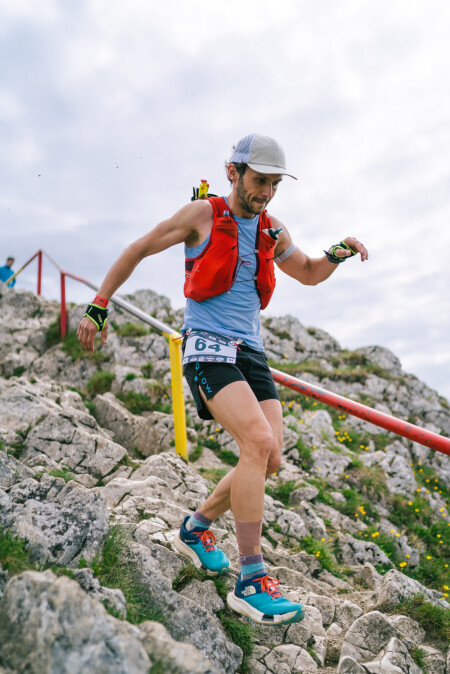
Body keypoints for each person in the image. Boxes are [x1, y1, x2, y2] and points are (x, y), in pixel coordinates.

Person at [77, 133, 368, 626]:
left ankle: (196, 527)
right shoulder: (204, 216)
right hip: (208, 349)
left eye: (275, 184)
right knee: (255, 441)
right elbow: (140, 247)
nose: (267, 193)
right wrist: (99, 304)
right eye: (260, 181)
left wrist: (339, 251)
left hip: (250, 355)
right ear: (233, 172)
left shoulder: (273, 229)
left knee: (270, 455)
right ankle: (251, 579)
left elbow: (311, 273)